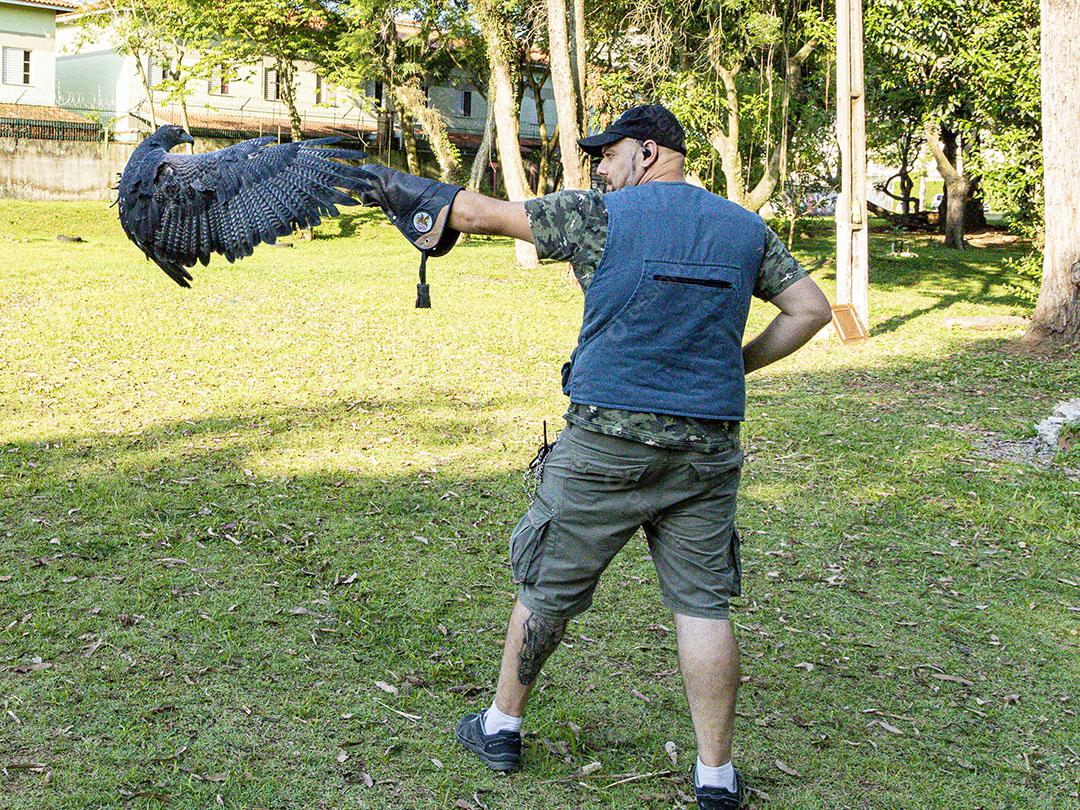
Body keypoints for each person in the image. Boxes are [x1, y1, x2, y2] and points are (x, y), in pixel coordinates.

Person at [356, 104, 832, 810]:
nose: (601, 170)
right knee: (702, 606)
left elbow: (481, 216)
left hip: (604, 446)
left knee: (547, 585)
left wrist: (384, 182)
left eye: (607, 156)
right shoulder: (744, 229)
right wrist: (735, 366)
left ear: (645, 153)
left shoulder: (599, 214)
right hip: (705, 449)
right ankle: (715, 777)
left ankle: (500, 728)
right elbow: (811, 311)